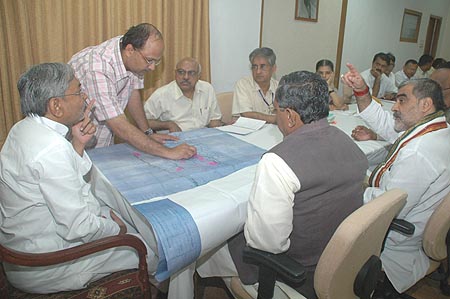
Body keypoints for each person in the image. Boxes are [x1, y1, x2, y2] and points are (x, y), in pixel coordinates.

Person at [200, 71, 368, 298]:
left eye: (275, 110)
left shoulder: (277, 161)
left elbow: (266, 244)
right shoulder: (347, 142)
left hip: (300, 274)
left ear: (289, 115)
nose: (275, 116)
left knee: (212, 241)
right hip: (343, 261)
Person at [0, 63, 154, 293]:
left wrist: (78, 144)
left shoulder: (23, 128)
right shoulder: (51, 148)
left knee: (119, 211)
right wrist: (117, 229)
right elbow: (78, 228)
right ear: (56, 105)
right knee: (153, 249)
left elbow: (59, 177)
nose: (84, 97)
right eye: (78, 91)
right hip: (47, 265)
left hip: (26, 248)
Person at [342, 63, 450, 294]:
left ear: (425, 104)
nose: (394, 107)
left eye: (402, 100)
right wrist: (361, 90)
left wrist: (357, 185)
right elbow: (386, 124)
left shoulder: (419, 152)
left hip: (395, 244)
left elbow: (390, 206)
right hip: (416, 221)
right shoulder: (437, 129)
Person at [69, 23, 196, 160]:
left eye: (156, 62)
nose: (152, 67)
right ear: (130, 50)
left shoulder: (130, 52)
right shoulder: (97, 68)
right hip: (76, 142)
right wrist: (168, 152)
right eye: (150, 60)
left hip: (103, 138)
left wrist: (147, 132)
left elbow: (132, 92)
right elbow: (118, 124)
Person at [144, 57, 222, 132]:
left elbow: (215, 120)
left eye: (191, 73)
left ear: (198, 75)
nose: (185, 77)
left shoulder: (207, 89)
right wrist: (168, 124)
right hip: (175, 140)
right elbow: (143, 121)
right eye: (181, 72)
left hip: (204, 137)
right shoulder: (162, 94)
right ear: (175, 73)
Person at [231, 47, 278, 124]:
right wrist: (274, 119)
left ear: (273, 68)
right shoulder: (243, 84)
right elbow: (246, 114)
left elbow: (283, 113)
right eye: (254, 67)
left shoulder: (278, 86)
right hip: (246, 130)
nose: (258, 71)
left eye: (263, 66)